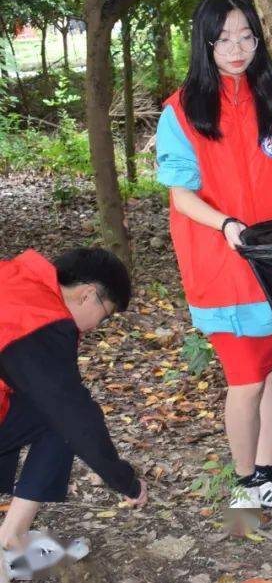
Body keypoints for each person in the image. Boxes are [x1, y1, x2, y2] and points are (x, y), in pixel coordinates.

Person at [155, 0, 272, 517]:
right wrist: (224, 223)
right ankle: (244, 485)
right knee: (245, 379)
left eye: (246, 35)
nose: (237, 47)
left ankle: (266, 478)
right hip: (220, 262)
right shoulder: (182, 110)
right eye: (223, 38)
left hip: (270, 258)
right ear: (204, 42)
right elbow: (181, 195)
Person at [0, 248, 147, 579]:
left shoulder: (14, 282)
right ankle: (11, 543)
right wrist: (126, 481)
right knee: (63, 420)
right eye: (105, 315)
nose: (97, 327)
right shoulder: (40, 321)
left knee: (47, 408)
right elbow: (74, 416)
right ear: (88, 295)